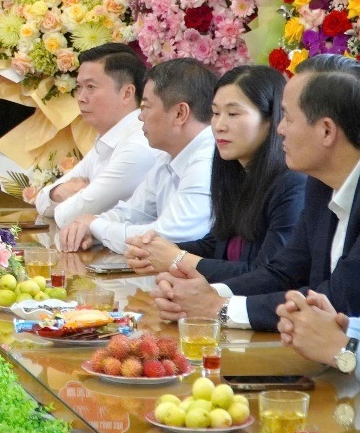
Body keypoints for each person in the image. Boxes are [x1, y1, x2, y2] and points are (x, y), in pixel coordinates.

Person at [152, 55, 360, 331]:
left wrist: (216, 307)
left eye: (288, 118)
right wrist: (204, 296)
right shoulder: (320, 187)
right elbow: (283, 273)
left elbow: (339, 301)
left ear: (326, 131)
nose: (280, 129)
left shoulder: (299, 183)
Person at [126, 65, 305, 280]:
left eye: (233, 113)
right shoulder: (238, 174)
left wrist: (177, 258)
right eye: (216, 113)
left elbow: (267, 274)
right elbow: (217, 245)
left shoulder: (293, 184)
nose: (219, 125)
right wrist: (154, 251)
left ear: (271, 119)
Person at [56, 58, 216, 253]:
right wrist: (89, 226)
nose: (140, 116)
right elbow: (133, 212)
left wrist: (95, 226)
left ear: (180, 113)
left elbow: (166, 237)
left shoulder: (207, 160)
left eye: (146, 107)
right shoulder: (167, 156)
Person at [29, 43, 160, 225]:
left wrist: (66, 198)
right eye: (79, 87)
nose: (81, 98)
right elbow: (42, 201)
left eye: (91, 87)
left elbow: (68, 216)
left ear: (127, 93)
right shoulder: (109, 138)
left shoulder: (137, 146)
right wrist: (58, 192)